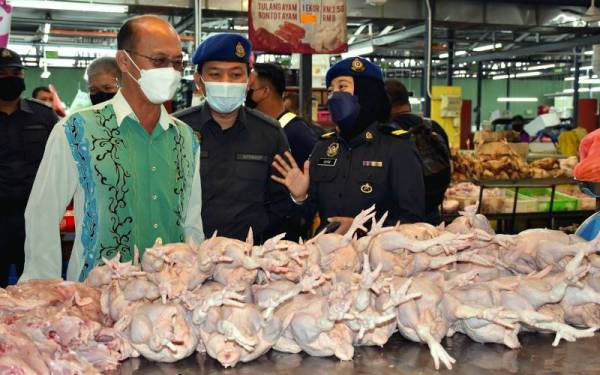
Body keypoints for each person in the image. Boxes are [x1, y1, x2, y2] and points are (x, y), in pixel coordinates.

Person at [20, 15, 204, 282]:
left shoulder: (185, 138)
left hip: (168, 301)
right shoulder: (77, 131)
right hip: (96, 304)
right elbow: (43, 216)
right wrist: (46, 291)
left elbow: (191, 224)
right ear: (124, 61)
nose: (171, 71)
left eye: (178, 62)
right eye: (159, 60)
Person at [271, 57, 426, 235]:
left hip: (376, 259)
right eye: (330, 90)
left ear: (366, 93)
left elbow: (413, 221)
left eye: (342, 87)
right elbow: (302, 221)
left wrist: (361, 228)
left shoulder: (397, 148)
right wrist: (299, 198)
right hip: (327, 257)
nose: (334, 95)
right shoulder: (322, 147)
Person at [175, 33, 296, 243]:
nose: (226, 82)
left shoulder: (270, 133)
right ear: (199, 81)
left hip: (250, 258)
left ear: (249, 81)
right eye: (215, 74)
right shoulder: (178, 129)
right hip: (189, 257)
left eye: (235, 74)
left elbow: (281, 202)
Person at [0, 48, 59, 286]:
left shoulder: (43, 116)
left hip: (35, 220)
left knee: (39, 290)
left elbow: (60, 162)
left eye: (16, 72)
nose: (10, 77)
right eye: (2, 73)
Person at [385, 79, 451, 225]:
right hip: (433, 215)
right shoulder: (434, 127)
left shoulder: (386, 132)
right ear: (407, 101)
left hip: (398, 221)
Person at [246, 62, 316, 166]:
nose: (245, 92)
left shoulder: (298, 133)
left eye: (249, 87)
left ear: (265, 91)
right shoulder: (256, 125)